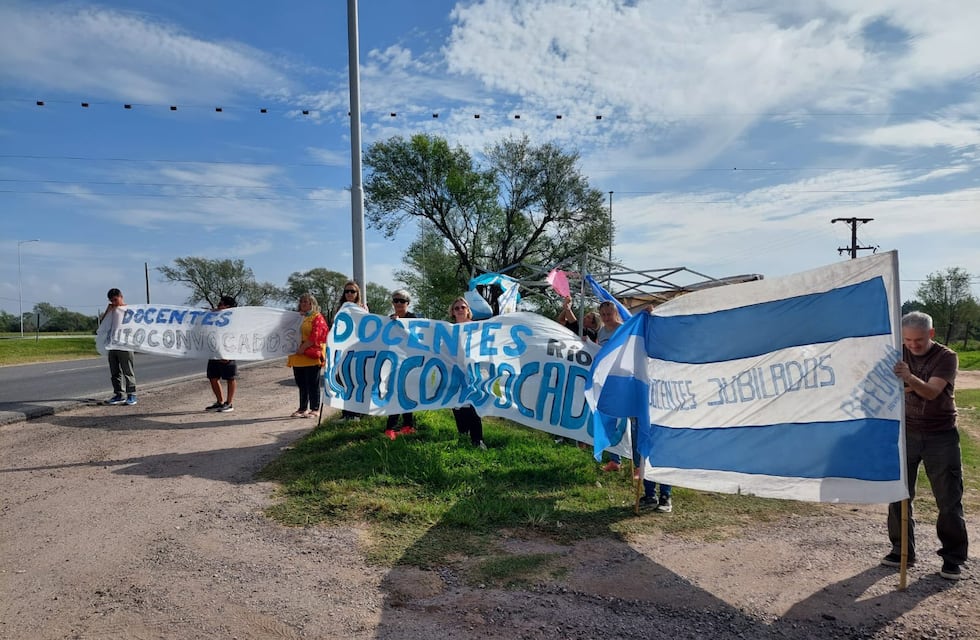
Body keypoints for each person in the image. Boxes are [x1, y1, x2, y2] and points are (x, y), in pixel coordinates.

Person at [883, 311, 968, 580]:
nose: (913, 345)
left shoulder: (946, 357)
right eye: (907, 340)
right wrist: (910, 385)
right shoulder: (897, 352)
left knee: (948, 499)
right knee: (898, 493)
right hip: (905, 433)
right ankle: (901, 550)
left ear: (931, 334)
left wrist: (908, 379)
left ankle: (952, 558)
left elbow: (932, 392)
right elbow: (884, 385)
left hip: (940, 435)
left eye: (918, 340)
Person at [449, 297, 486, 449]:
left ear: (468, 310)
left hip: (473, 372)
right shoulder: (448, 330)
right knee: (457, 406)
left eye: (462, 307)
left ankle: (477, 440)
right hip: (454, 372)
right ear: (452, 312)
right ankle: (463, 436)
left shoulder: (477, 327)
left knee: (472, 406)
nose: (459, 310)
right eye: (456, 308)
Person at [286, 293, 328, 419]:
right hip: (297, 357)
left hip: (310, 356)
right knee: (301, 383)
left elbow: (315, 337)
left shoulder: (317, 317)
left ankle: (314, 408)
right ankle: (302, 408)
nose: (303, 304)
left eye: (306, 301)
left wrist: (302, 348)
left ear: (312, 304)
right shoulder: (297, 317)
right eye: (301, 301)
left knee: (312, 384)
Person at [384, 289, 417, 440]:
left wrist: (401, 325)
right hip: (394, 363)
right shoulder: (389, 320)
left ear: (408, 304)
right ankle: (390, 427)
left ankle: (408, 425)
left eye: (402, 301)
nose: (398, 303)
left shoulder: (413, 319)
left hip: (410, 363)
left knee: (407, 393)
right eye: (395, 300)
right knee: (395, 393)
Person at [334, 280, 368, 421]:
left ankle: (356, 413)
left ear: (357, 294)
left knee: (356, 380)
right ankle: (346, 413)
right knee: (343, 380)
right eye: (347, 291)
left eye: (352, 291)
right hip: (343, 350)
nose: (349, 294)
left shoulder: (362, 308)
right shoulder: (340, 309)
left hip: (358, 350)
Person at [596, 301, 624, 471]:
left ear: (616, 313)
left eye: (609, 314)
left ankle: (636, 463)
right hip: (606, 380)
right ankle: (615, 459)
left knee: (624, 420)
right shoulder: (602, 330)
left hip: (621, 379)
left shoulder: (622, 328)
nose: (606, 317)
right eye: (603, 314)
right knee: (609, 418)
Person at [100, 288, 137, 406]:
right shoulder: (112, 310)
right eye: (111, 300)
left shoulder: (129, 310)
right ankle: (119, 394)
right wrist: (108, 309)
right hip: (112, 344)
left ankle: (131, 395)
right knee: (115, 371)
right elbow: (103, 323)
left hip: (125, 345)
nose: (114, 302)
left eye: (115, 299)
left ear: (121, 296)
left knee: (127, 370)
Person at [205, 295, 238, 413]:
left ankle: (229, 403)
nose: (218, 307)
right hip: (214, 351)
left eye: (221, 304)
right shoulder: (214, 317)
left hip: (228, 351)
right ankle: (220, 401)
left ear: (228, 307)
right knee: (213, 377)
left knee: (229, 377)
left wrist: (229, 353)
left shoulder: (236, 319)